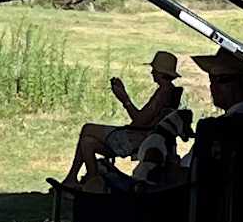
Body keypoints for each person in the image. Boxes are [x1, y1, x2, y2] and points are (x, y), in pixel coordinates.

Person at [67, 49, 188, 181]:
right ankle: (89, 180)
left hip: (137, 137)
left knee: (87, 129)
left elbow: (140, 121)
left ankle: (76, 179)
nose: (152, 72)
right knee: (87, 143)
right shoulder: (168, 91)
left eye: (155, 69)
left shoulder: (163, 93)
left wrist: (124, 98)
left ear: (161, 73)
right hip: (143, 135)